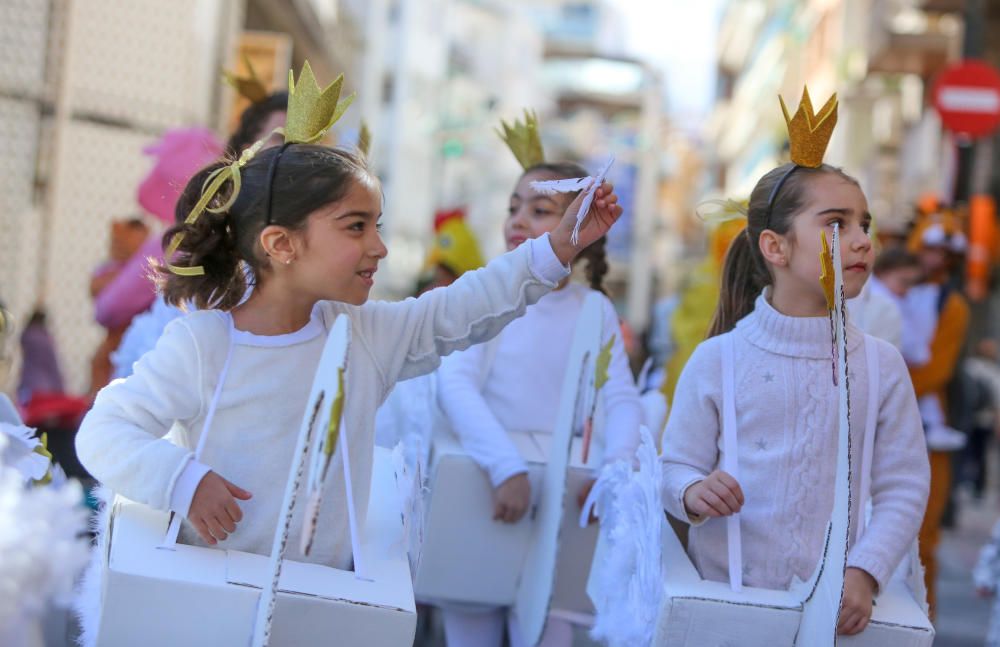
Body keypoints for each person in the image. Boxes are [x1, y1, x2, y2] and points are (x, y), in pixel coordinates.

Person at [75, 64, 623, 578]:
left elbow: (464, 307)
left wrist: (557, 247)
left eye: (376, 225)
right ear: (281, 244)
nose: (380, 247)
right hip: (208, 604)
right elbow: (104, 432)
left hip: (321, 606)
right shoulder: (204, 343)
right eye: (356, 227)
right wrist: (182, 480)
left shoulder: (363, 337)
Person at [661, 90, 929, 637]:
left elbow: (904, 485)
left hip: (834, 617)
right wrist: (692, 492)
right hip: (728, 616)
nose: (860, 241)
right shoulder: (719, 359)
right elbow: (672, 467)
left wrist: (864, 572)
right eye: (836, 224)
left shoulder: (881, 365)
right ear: (775, 248)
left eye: (864, 225)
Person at [436, 112, 641, 647]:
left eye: (540, 209)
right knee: (472, 621)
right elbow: (456, 385)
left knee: (553, 625)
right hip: (487, 485)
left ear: (584, 228)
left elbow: (619, 398)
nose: (518, 220)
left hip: (567, 500)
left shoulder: (594, 310)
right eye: (513, 207)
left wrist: (613, 472)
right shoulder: (490, 293)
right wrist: (505, 468)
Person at [904, 211, 971, 615]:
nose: (936, 260)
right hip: (871, 423)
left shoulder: (954, 305)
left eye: (945, 254)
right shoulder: (881, 286)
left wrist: (882, 387)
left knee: (923, 536)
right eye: (930, 249)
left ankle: (922, 621)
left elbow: (938, 369)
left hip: (928, 428)